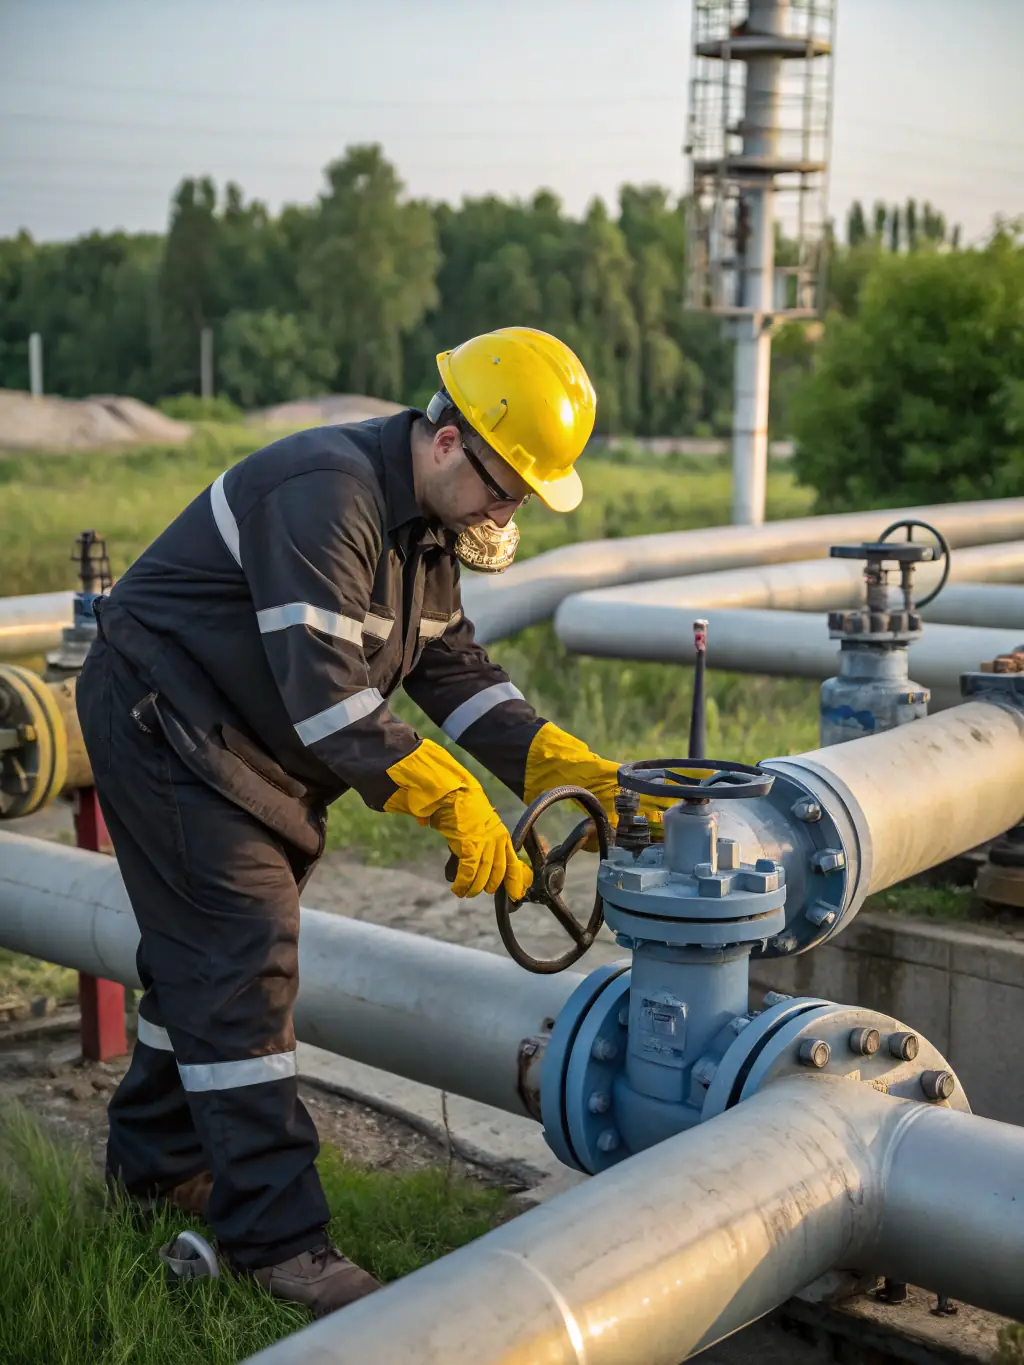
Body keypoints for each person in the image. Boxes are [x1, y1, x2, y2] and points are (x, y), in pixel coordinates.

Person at [76, 326, 663, 1316]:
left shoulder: (426, 536)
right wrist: (452, 798)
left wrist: (559, 764)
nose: (507, 511)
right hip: (166, 722)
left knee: (208, 966)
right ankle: (280, 1241)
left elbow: (452, 673)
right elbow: (330, 701)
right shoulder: (323, 493)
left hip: (243, 745)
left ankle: (151, 1167)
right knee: (245, 960)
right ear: (448, 443)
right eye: (505, 486)